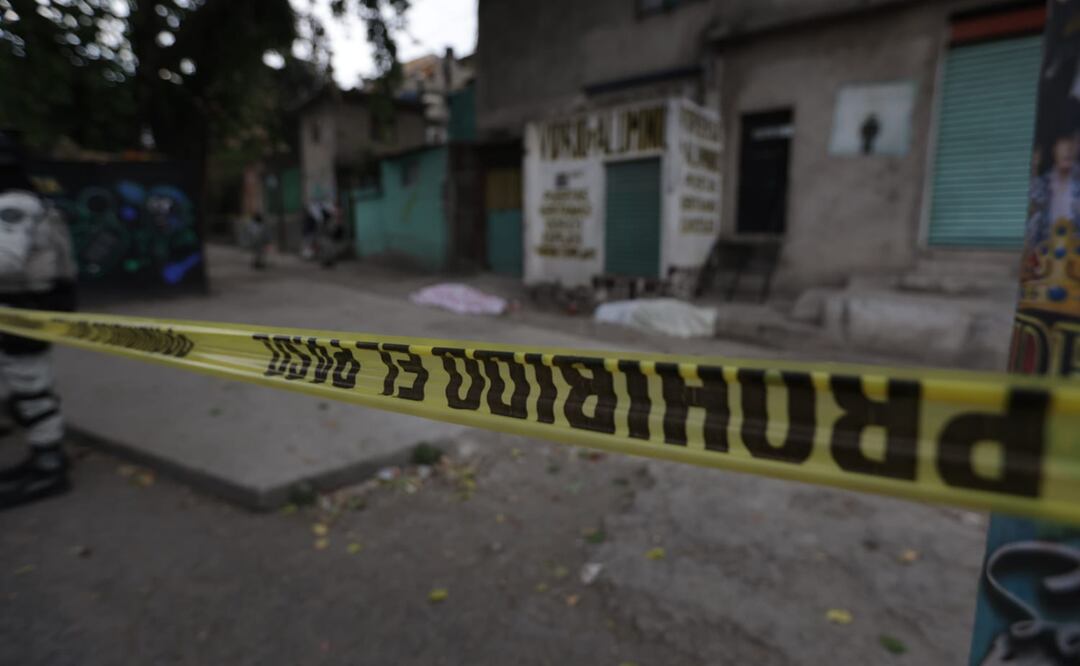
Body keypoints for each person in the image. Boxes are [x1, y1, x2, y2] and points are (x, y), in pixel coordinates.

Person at [0, 131, 78, 510]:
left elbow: (6, 259)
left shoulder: (14, 203)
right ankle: (41, 454)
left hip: (26, 306)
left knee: (30, 383)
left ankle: (48, 461)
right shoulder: (22, 199)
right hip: (22, 305)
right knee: (21, 381)